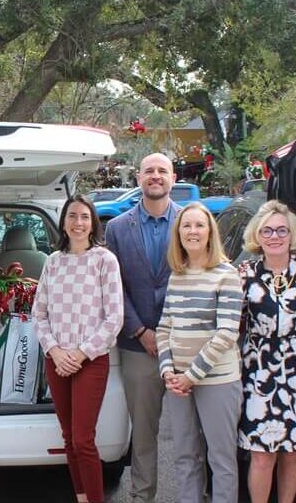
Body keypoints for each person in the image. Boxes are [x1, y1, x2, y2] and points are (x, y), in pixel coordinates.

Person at [33, 195, 123, 503]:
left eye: (85, 217)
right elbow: (39, 314)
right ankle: (81, 497)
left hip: (90, 360)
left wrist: (80, 353)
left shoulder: (104, 260)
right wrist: (55, 351)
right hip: (57, 361)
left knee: (84, 439)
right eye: (72, 216)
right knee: (69, 438)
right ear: (64, 222)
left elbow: (114, 318)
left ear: (93, 222)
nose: (78, 223)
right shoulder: (52, 262)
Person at [103, 152, 181, 502]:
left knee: (189, 434)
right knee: (144, 435)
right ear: (138, 178)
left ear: (173, 178)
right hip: (137, 346)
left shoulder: (192, 222)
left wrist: (168, 334)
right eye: (149, 170)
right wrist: (139, 331)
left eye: (162, 171)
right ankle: (142, 496)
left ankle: (193, 495)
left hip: (183, 345)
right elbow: (114, 286)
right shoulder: (117, 228)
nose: (155, 176)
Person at [156, 202, 244, 503]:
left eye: (199, 225)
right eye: (186, 226)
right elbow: (164, 327)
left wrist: (191, 376)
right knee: (184, 455)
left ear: (210, 232)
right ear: (178, 233)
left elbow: (227, 333)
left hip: (217, 380)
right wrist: (168, 371)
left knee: (221, 460)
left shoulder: (227, 274)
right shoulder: (176, 274)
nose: (192, 231)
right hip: (179, 383)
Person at [237, 200, 296, 503]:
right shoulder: (245, 274)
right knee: (262, 455)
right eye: (268, 230)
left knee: (292, 454)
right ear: (258, 236)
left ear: (292, 234)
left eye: (281, 230)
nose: (275, 236)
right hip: (259, 369)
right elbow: (233, 324)